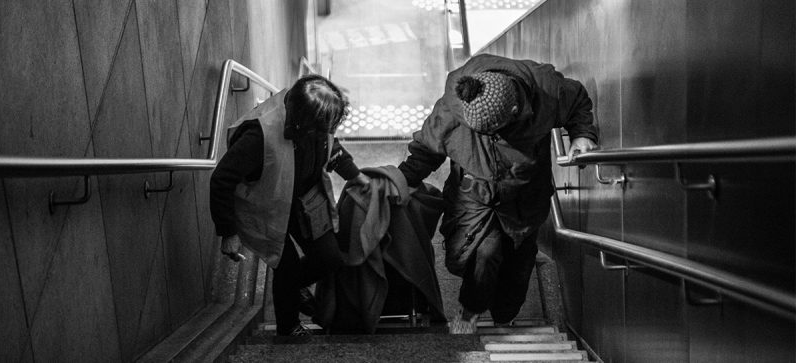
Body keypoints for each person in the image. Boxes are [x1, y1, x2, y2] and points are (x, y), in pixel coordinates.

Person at [397, 54, 598, 334]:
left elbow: (578, 102)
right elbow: (426, 151)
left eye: (495, 130)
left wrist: (582, 135)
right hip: (474, 192)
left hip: (525, 194)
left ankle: (505, 316)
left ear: (515, 109)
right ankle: (469, 312)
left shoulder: (548, 90)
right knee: (484, 252)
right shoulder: (453, 108)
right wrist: (399, 181)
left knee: (517, 269)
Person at [210, 74, 370, 336]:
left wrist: (355, 174)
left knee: (328, 258)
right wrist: (228, 232)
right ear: (304, 123)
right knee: (287, 265)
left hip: (304, 198)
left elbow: (332, 145)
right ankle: (288, 327)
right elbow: (221, 180)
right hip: (266, 206)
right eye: (323, 127)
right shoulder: (259, 135)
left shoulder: (317, 122)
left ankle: (292, 287)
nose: (328, 131)